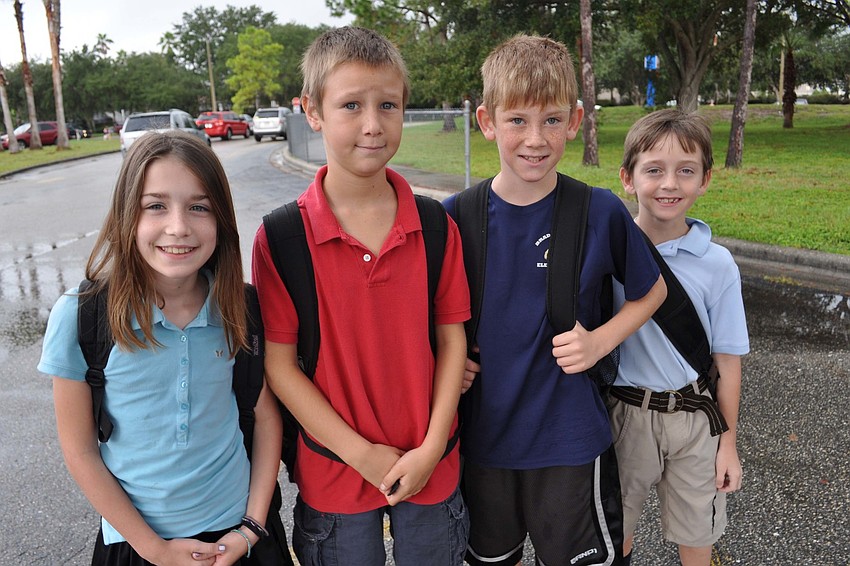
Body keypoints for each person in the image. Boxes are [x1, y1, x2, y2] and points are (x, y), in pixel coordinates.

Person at [442, 34, 667, 566]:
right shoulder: (454, 218)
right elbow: (429, 315)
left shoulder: (600, 211)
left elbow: (651, 289)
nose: (535, 139)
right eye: (517, 120)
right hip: (483, 439)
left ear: (575, 120)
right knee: (489, 558)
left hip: (569, 439)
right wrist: (448, 362)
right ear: (487, 121)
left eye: (551, 120)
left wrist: (600, 341)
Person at [251, 26, 471, 565]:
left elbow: (452, 341)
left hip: (431, 466)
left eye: (388, 105)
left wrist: (432, 447)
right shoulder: (281, 237)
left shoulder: (435, 225)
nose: (373, 125)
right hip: (334, 472)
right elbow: (280, 368)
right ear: (313, 111)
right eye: (351, 105)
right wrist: (362, 455)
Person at [38, 130, 283, 566]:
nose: (179, 227)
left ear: (221, 218)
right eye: (156, 206)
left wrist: (252, 527)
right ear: (126, 216)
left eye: (198, 207)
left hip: (237, 536)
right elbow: (80, 451)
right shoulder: (81, 316)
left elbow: (265, 418)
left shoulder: (239, 307)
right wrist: (153, 549)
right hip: (137, 544)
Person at [609, 109, 748, 566]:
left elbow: (728, 361)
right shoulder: (608, 249)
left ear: (704, 180)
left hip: (697, 419)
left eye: (685, 171)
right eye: (654, 170)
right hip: (625, 413)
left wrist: (727, 444)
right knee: (615, 529)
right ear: (628, 178)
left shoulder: (717, 264)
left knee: (697, 532)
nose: (669, 184)